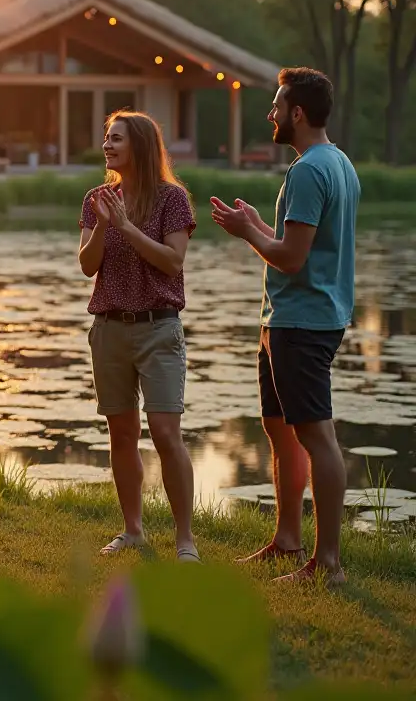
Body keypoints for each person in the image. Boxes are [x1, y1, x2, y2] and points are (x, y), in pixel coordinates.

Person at [211, 67, 358, 584]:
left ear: (297, 112)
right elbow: (302, 245)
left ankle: (329, 563)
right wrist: (257, 226)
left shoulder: (308, 171)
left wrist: (244, 232)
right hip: (290, 320)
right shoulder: (338, 162)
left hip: (303, 323)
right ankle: (288, 540)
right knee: (280, 432)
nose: (270, 113)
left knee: (316, 437)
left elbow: (291, 259)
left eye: (277, 106)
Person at [78, 111, 199, 563]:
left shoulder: (172, 199)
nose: (107, 146)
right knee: (121, 433)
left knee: (167, 434)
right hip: (109, 330)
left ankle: (185, 540)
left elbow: (173, 262)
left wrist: (127, 226)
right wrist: (108, 224)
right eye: (106, 137)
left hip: (158, 328)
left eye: (116, 139)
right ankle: (133, 531)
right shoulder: (97, 199)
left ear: (141, 146)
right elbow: (87, 265)